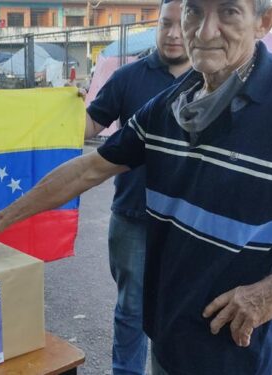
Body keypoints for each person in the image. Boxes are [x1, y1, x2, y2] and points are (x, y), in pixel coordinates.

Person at [0, 0, 272, 373]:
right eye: (194, 11)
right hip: (167, 339)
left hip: (231, 355)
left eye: (228, 12)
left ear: (264, 22)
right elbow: (90, 169)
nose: (204, 31)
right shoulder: (173, 102)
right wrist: (0, 218)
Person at [83, 1, 189, 373]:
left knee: (181, 311)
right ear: (156, 25)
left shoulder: (215, 80)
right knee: (131, 310)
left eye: (182, 24)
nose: (173, 34)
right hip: (133, 216)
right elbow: (87, 127)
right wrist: (59, 109)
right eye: (166, 24)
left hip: (190, 225)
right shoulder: (128, 77)